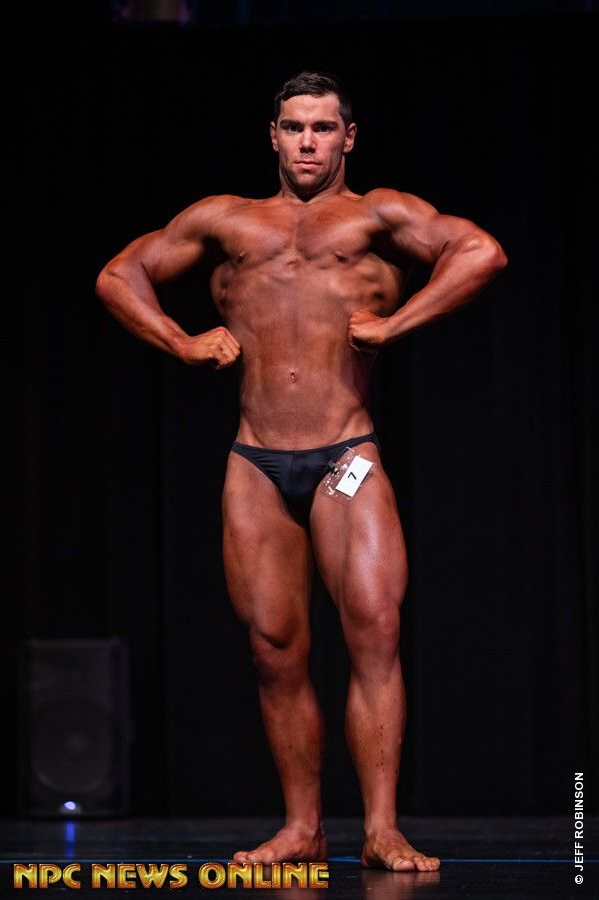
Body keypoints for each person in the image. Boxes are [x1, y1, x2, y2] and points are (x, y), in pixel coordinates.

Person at [96, 70, 507, 873]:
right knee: (273, 648)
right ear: (273, 137)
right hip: (255, 462)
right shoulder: (226, 219)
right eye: (293, 128)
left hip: (345, 455)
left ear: (349, 136)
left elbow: (481, 253)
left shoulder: (379, 214)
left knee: (375, 632)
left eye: (322, 127)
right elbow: (118, 275)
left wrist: (397, 324)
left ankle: (382, 829)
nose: (308, 142)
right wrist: (181, 342)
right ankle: (302, 829)